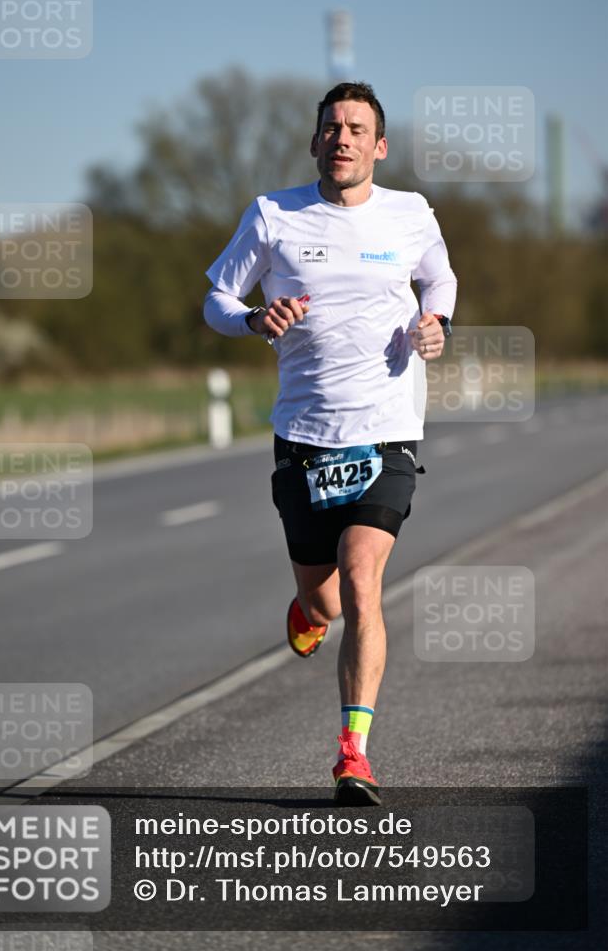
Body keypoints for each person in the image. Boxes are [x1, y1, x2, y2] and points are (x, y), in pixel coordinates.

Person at [204, 81, 457, 806]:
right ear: (314, 141)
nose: (341, 139)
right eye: (331, 128)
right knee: (325, 604)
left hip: (385, 431)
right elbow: (217, 298)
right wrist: (254, 320)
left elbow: (440, 276)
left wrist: (435, 319)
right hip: (305, 435)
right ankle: (305, 613)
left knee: (361, 578)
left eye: (356, 129)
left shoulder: (408, 213)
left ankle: (354, 753)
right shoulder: (272, 214)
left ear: (378, 146)